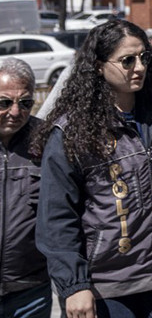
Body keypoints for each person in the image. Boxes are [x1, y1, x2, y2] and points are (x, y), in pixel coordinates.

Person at [35, 20, 152, 318]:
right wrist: (74, 285)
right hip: (108, 289)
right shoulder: (71, 132)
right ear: (97, 66)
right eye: (127, 60)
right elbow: (56, 217)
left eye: (145, 57)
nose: (139, 67)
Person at [0, 58, 51, 318]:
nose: (15, 111)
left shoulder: (46, 142)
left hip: (30, 291)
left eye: (26, 103)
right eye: (4, 103)